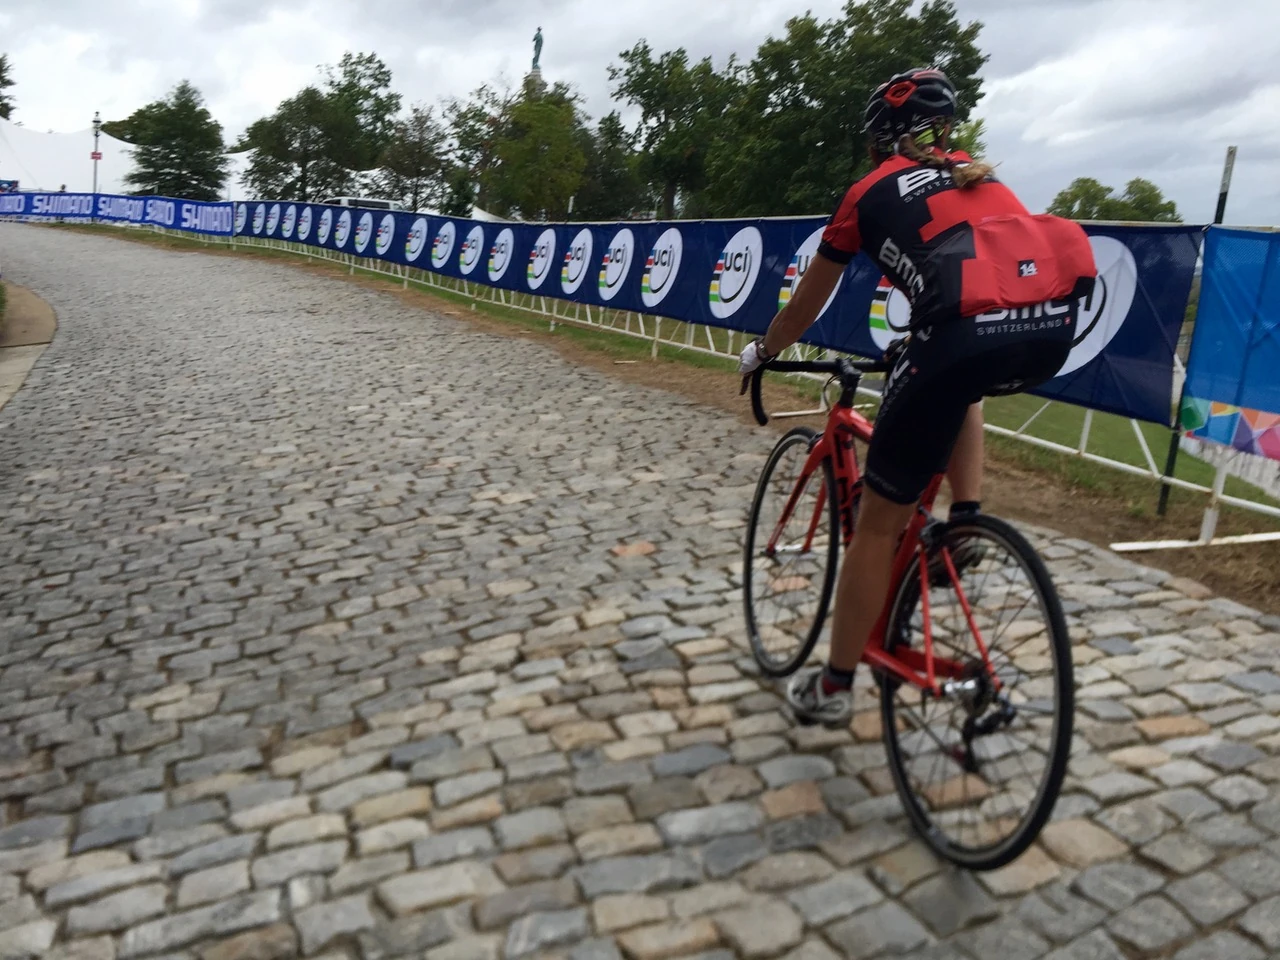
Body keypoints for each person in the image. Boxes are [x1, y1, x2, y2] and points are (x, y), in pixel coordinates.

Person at [738, 67, 1097, 727]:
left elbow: (805, 309)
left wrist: (763, 351)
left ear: (878, 142)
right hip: (1048, 330)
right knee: (962, 382)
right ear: (946, 130)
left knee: (877, 522)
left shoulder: (866, 192)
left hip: (960, 335)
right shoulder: (982, 176)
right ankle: (964, 521)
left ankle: (835, 685)